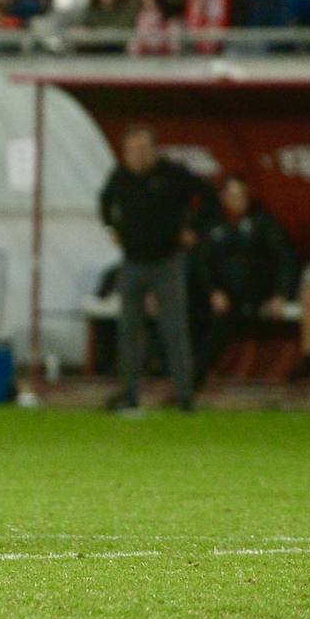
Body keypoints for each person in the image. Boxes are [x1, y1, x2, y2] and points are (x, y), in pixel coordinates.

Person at [98, 124, 217, 412]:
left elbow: (209, 198)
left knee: (174, 329)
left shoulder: (172, 175)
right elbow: (104, 201)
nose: (136, 156)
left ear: (152, 150)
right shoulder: (120, 177)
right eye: (131, 151)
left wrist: (193, 230)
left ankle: (185, 396)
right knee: (129, 330)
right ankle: (129, 395)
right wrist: (110, 227)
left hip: (167, 262)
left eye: (141, 150)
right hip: (133, 263)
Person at [194, 174, 299, 385]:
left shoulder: (263, 223)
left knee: (226, 321)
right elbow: (203, 264)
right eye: (232, 195)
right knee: (192, 310)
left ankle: (193, 377)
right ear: (223, 198)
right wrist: (213, 291)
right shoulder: (214, 226)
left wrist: (281, 293)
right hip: (221, 296)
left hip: (254, 296)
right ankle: (174, 370)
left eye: (241, 194)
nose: (237, 200)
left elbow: (286, 259)